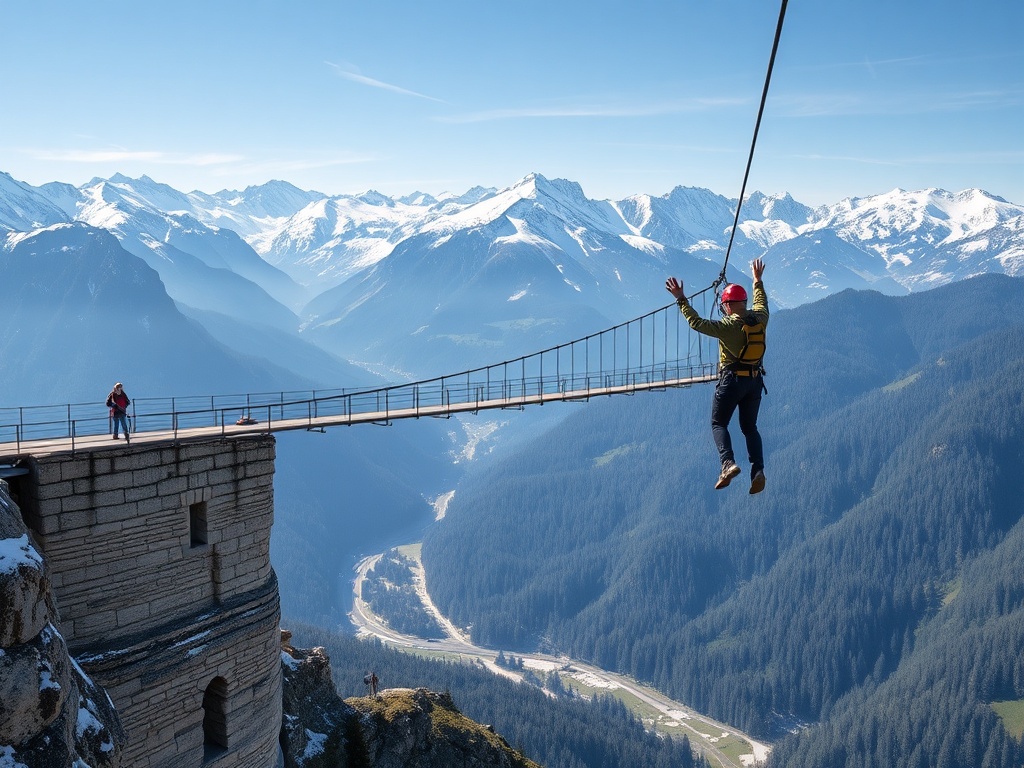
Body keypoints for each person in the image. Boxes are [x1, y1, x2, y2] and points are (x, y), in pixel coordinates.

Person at [665, 258, 769, 494]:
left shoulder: (727, 326)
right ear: (744, 302)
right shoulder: (761, 318)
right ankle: (758, 470)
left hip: (731, 381)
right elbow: (761, 302)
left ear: (728, 306)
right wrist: (757, 280)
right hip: (754, 381)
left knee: (718, 423)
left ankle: (727, 464)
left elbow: (697, 323)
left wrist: (681, 299)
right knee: (750, 427)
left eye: (724, 307)